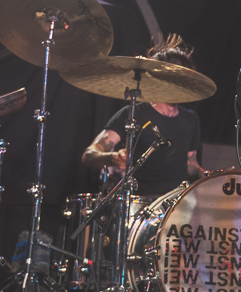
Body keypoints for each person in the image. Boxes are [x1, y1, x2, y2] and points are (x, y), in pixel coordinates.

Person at [81, 34, 208, 198]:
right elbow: (89, 155)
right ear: (161, 79)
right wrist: (113, 158)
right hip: (141, 203)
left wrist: (208, 175)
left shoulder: (191, 119)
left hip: (177, 204)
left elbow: (190, 163)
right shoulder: (134, 113)